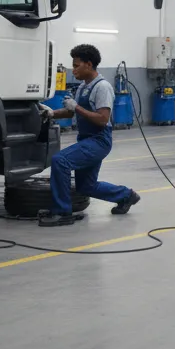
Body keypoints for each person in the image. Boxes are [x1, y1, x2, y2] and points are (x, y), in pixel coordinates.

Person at [38, 44, 140, 227]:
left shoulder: (102, 87)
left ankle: (62, 212)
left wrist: (75, 107)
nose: (73, 70)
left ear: (89, 64)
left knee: (60, 161)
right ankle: (126, 195)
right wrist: (53, 113)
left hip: (99, 140)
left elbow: (102, 119)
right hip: (86, 139)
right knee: (86, 186)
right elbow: (72, 113)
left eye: (77, 66)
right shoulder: (83, 87)